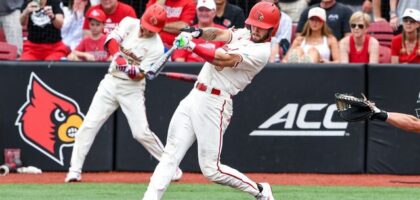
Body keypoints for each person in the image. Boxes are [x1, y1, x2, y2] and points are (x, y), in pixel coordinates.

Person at [142, 2, 280, 200]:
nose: (256, 30)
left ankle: (260, 190)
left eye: (262, 27)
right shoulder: (245, 33)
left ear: (272, 29)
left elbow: (221, 59)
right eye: (254, 25)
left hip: (216, 102)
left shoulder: (262, 52)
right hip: (195, 95)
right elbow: (219, 34)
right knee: (170, 154)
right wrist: (195, 33)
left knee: (211, 170)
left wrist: (191, 45)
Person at [64, 4, 183, 183]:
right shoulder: (130, 23)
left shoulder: (157, 47)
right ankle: (74, 171)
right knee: (88, 125)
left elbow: (139, 76)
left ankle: (171, 166)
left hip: (132, 89)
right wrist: (118, 58)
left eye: (151, 30)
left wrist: (131, 69)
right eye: (145, 27)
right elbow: (110, 41)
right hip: (111, 82)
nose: (146, 31)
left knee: (140, 132)